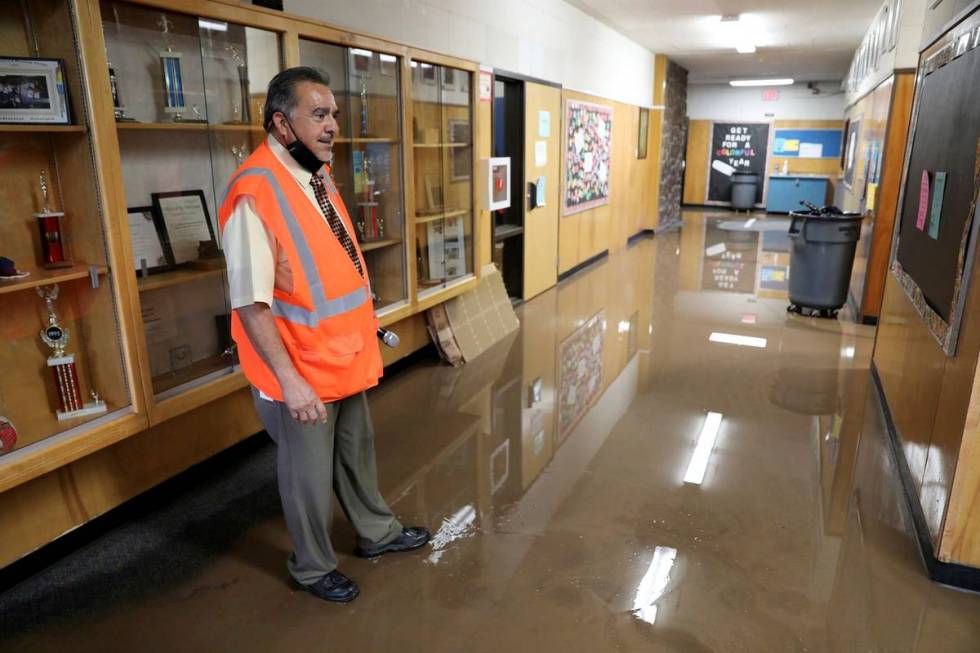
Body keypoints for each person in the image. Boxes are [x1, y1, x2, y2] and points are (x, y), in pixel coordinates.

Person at [218, 67, 430, 604]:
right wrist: (289, 382)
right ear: (281, 123)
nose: (333, 124)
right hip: (297, 370)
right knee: (307, 477)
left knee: (356, 453)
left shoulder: (314, 174)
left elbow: (328, 269)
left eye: (333, 113)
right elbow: (250, 302)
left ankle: (377, 533)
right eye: (320, 114)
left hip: (340, 356)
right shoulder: (255, 191)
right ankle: (312, 567)